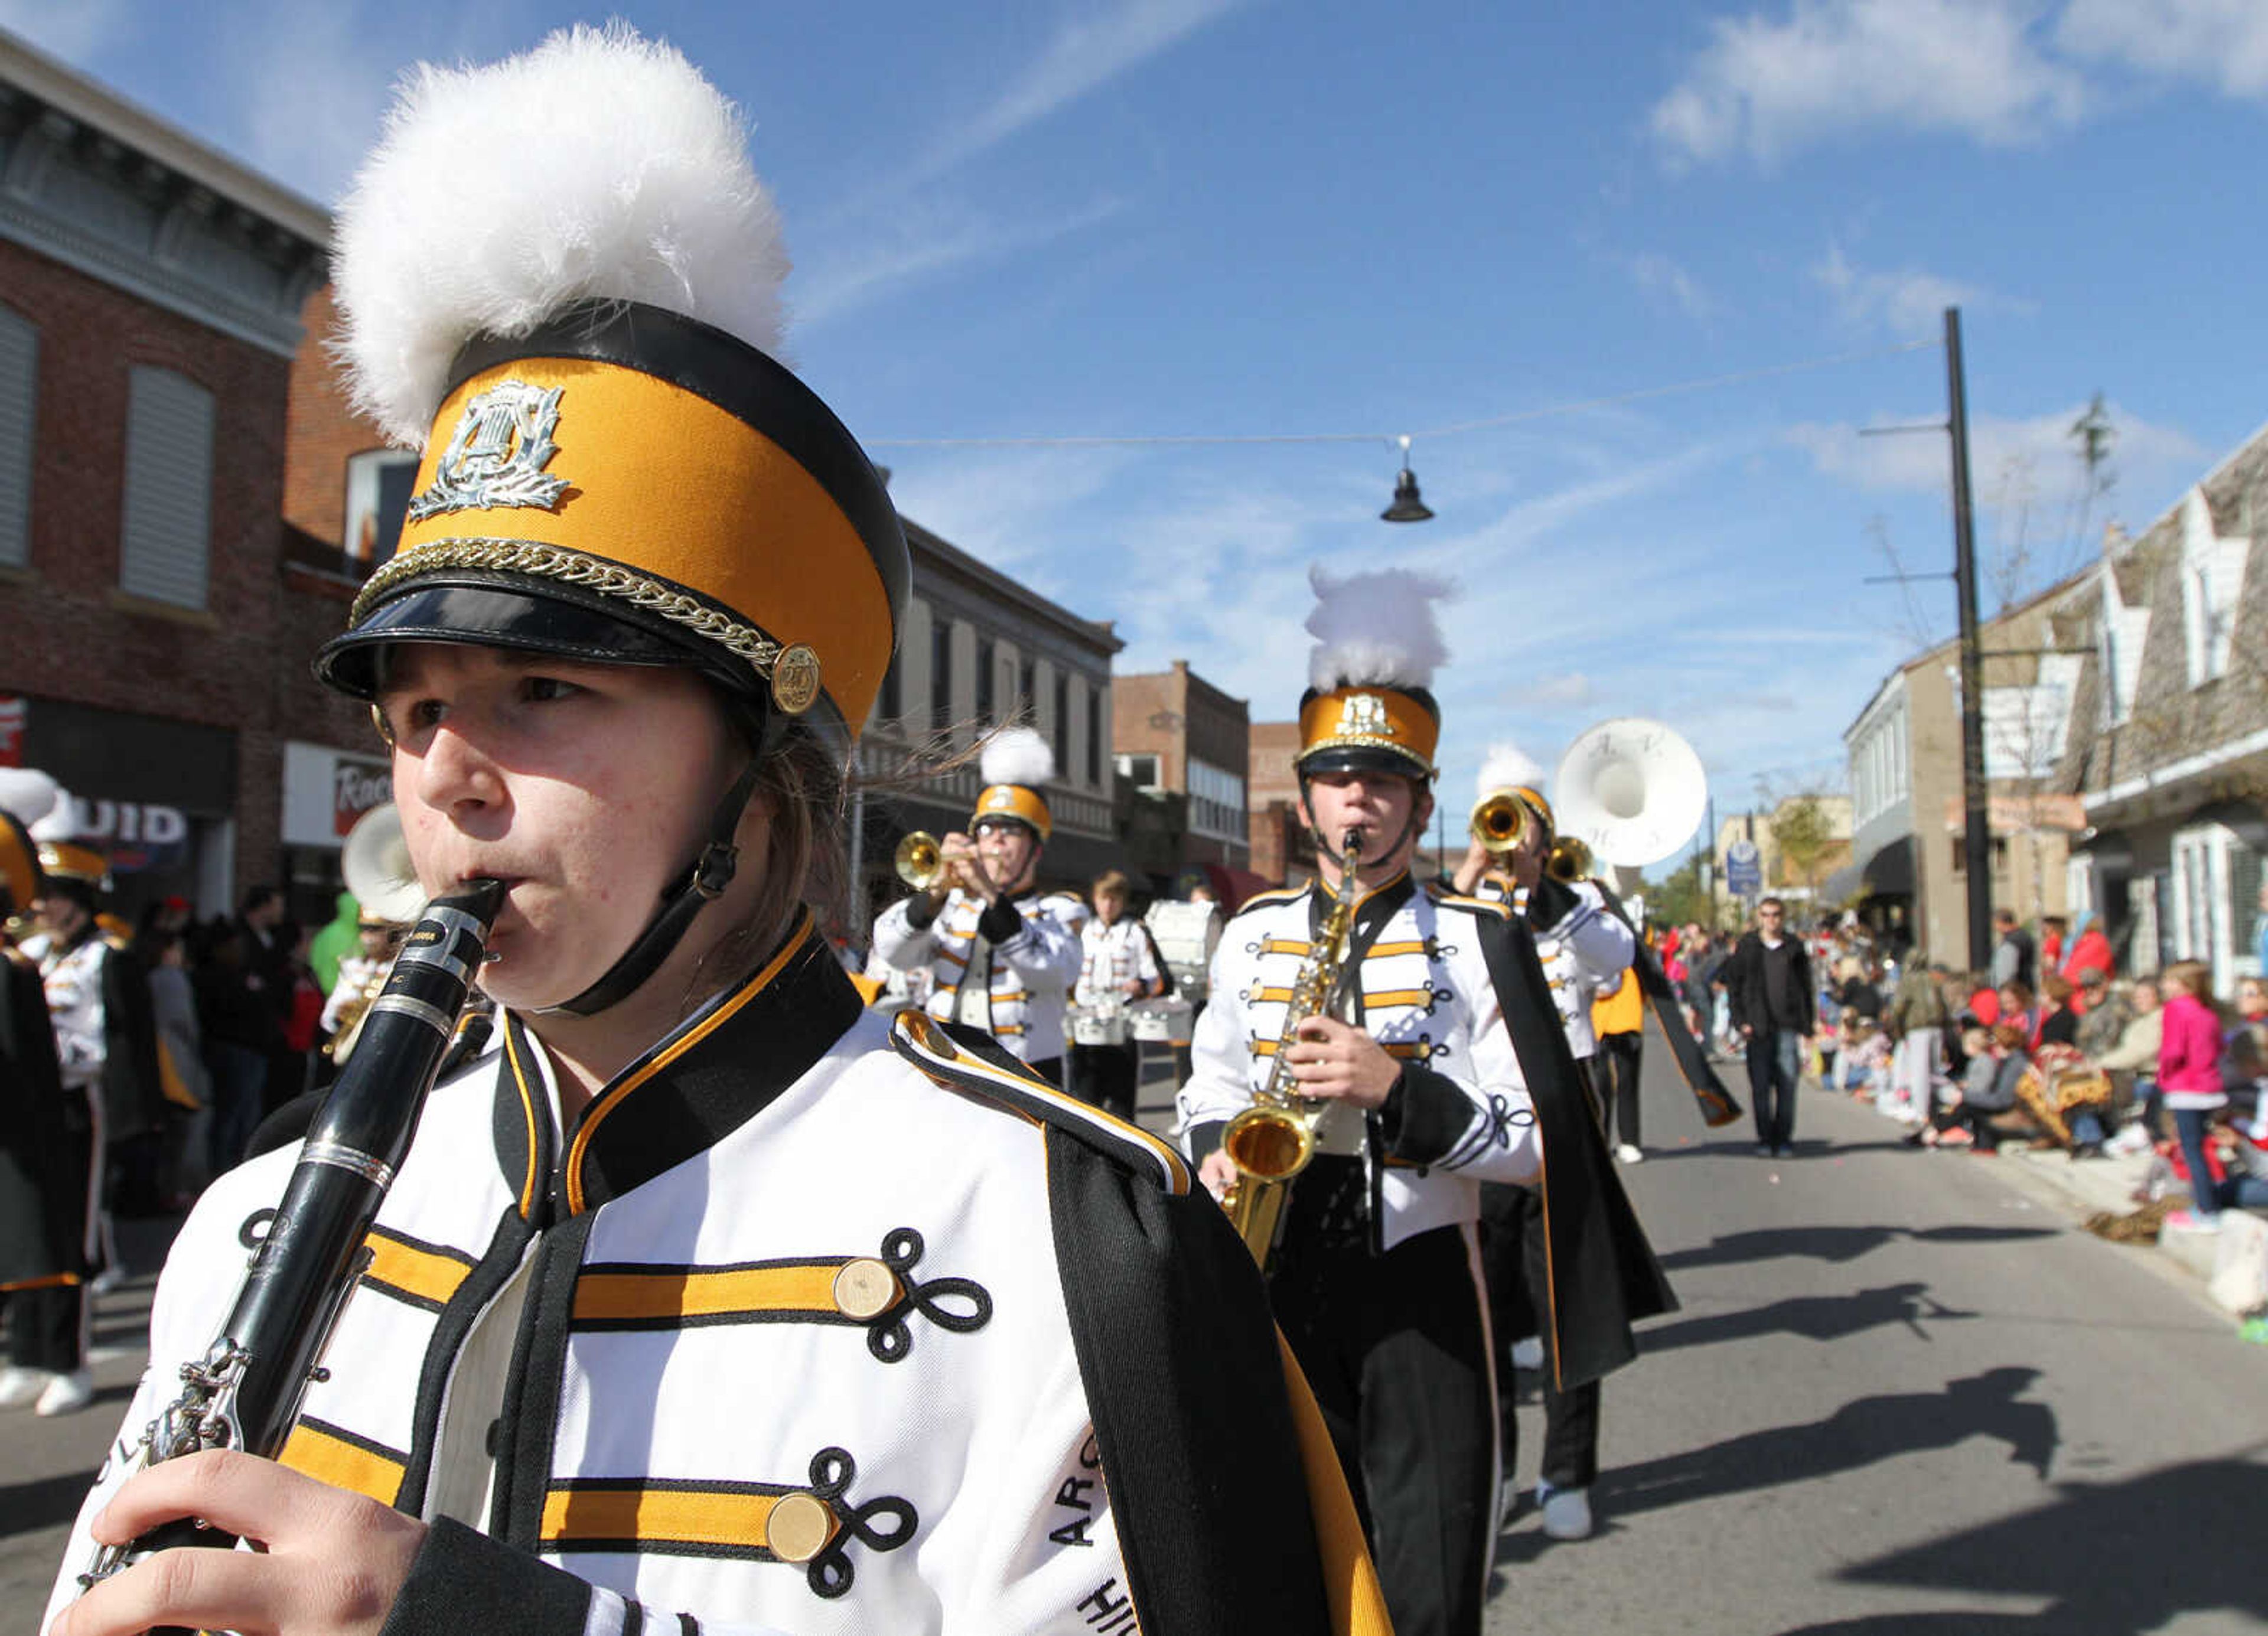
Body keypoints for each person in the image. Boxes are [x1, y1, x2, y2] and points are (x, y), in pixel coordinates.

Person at [47, 30, 1383, 1636]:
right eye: (411, 711)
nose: (448, 774)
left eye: (542, 687)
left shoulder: (1075, 1239)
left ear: (762, 776)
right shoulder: (249, 1220)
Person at [1179, 569, 1667, 1635]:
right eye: (1339, 779)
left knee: (1435, 1581)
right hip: (1278, 1271)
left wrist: (1401, 1090)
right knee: (1290, 1575)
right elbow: (1208, 1084)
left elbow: (1540, 1148)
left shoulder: (1477, 939)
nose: (1360, 800)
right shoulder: (1253, 933)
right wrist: (1219, 1147)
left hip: (1425, 1290)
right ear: (1305, 799)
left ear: (1421, 803)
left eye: (1385, 782)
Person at [1451, 746, 1639, 1548]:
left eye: (1519, 820)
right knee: (1480, 1309)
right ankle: (1493, 1466)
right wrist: (1471, 872)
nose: (1509, 836)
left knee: (1568, 1298)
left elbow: (1617, 959)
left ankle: (1568, 1470)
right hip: (1484, 1121)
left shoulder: (1580, 898)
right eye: (1498, 819)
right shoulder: (1464, 904)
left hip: (1565, 1112)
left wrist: (1544, 884)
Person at [869, 728, 1087, 1086]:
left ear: (1036, 849)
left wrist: (990, 896)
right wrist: (934, 895)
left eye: (1011, 830)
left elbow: (1048, 972)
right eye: (987, 829)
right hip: (946, 1065)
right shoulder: (951, 907)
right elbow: (892, 952)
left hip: (1027, 1074)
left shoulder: (1058, 913)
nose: (996, 839)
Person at [0, 771, 89, 1419]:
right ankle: (30, 1352)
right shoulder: (30, 960)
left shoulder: (27, 966)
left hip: (70, 1108)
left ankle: (65, 1358)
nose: (48, 908)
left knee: (57, 1235)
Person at [1720, 896, 1816, 1156]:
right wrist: (1740, 1021)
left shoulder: (1794, 948)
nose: (1771, 920)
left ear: (1782, 917)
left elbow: (1806, 988)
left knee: (1788, 1085)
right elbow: (1734, 987)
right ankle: (1764, 1138)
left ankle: (1784, 1138)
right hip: (1758, 1027)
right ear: (1759, 917)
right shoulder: (1748, 946)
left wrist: (1808, 1027)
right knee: (1761, 1087)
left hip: (1787, 1025)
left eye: (1775, 915)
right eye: (1766, 914)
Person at [1066, 869, 1163, 1122]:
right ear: (1095, 900)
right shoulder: (1083, 930)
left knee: (1121, 1104)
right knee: (1085, 1101)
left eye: (1115, 899)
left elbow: (1156, 978)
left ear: (1123, 901)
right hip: (1086, 1024)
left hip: (1121, 1027)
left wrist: (1140, 984)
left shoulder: (1136, 932)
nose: (1108, 906)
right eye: (1103, 899)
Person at [2159, 959, 2229, 1232]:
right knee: (2202, 1147)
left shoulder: (2176, 1009)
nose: (2164, 986)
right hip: (2209, 1086)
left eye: (2169, 980)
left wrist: (2164, 1074)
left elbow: (2174, 1051)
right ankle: (2208, 1201)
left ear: (2184, 984)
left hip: (2186, 1086)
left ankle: (2206, 1209)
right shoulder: (2208, 1012)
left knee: (2191, 1151)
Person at [1884, 957, 1951, 1128]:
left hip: (1917, 1028)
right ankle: (1941, 1106)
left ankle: (1922, 1113)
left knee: (1920, 1073)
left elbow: (1899, 1007)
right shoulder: (1932, 979)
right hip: (1937, 1027)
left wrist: (1898, 1031)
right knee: (1936, 1071)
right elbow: (1943, 1004)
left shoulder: (1908, 981)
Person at [1990, 908, 2037, 992]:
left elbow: (2006, 973)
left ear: (2000, 922)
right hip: (2027, 988)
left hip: (2016, 992)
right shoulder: (2026, 936)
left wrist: (2003, 991)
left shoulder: (2011, 943)